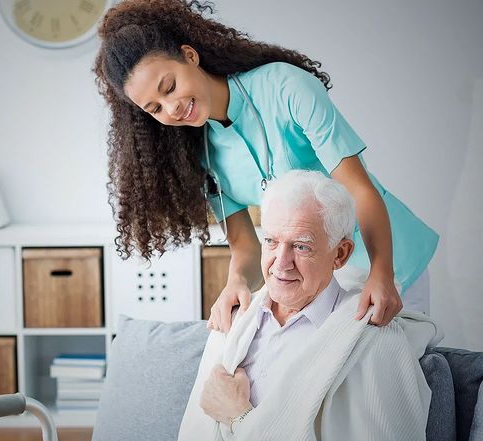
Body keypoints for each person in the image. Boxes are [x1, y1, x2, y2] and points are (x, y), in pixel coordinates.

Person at [93, 0, 438, 332]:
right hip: (320, 280)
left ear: (189, 55)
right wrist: (236, 283)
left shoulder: (286, 87)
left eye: (169, 87)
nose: (171, 108)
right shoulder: (202, 156)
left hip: (388, 258)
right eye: (155, 108)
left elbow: (360, 190)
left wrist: (382, 271)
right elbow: (245, 246)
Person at [165, 170, 439, 441]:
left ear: (341, 254)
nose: (281, 263)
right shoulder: (234, 323)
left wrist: (238, 417)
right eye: (271, 241)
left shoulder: (375, 343)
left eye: (301, 246)